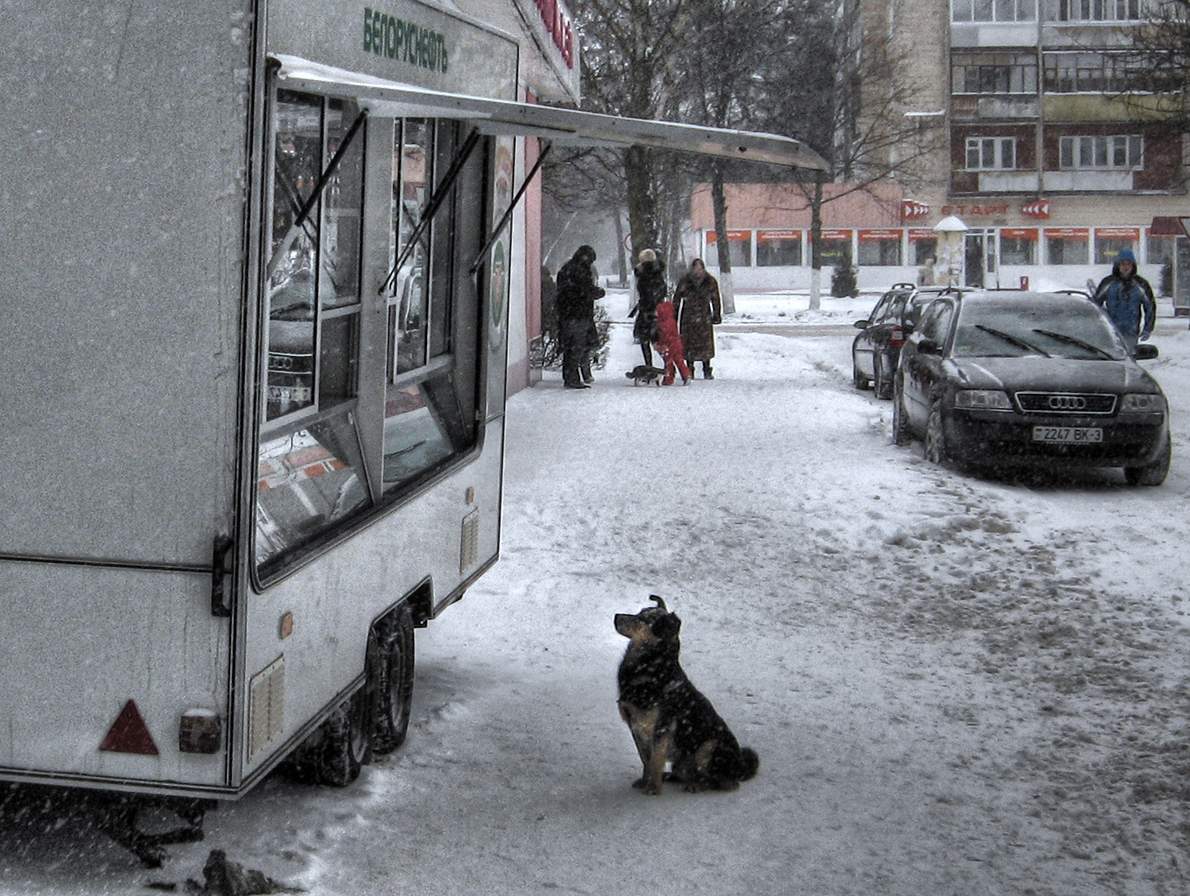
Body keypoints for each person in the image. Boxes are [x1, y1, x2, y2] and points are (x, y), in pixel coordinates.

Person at [555, 245, 605, 389]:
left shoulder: (567, 269)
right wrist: (598, 292)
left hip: (567, 313)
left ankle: (570, 377)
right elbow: (583, 291)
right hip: (578, 314)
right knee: (577, 346)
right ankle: (572, 378)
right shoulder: (579, 271)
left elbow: (567, 291)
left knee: (570, 347)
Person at [1093, 248, 1156, 353]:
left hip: (1131, 332)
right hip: (1110, 332)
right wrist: (1098, 326)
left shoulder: (1141, 284)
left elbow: (1150, 307)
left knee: (1129, 359)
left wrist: (1148, 328)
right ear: (1117, 265)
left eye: (1128, 264)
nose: (1125, 267)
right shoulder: (1108, 283)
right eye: (1122, 264)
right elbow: (1095, 306)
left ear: (1133, 266)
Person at [672, 257, 723, 380]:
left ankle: (707, 368)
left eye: (700, 268)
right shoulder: (685, 281)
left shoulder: (710, 281)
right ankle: (689, 368)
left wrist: (716, 314)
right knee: (688, 343)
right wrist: (674, 315)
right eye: (695, 268)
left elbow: (715, 298)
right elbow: (677, 298)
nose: (698, 271)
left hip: (704, 315)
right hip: (688, 316)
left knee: (705, 344)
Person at [629, 249, 667, 366]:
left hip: (646, 309)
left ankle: (649, 365)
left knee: (645, 340)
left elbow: (639, 292)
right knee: (657, 340)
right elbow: (662, 291)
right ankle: (668, 363)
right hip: (656, 309)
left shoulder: (641, 274)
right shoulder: (658, 273)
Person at [652, 299, 691, 385]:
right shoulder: (672, 320)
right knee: (679, 361)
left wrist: (660, 345)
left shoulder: (661, 324)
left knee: (668, 362)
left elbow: (663, 336)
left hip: (667, 345)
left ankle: (669, 378)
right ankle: (686, 375)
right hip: (676, 344)